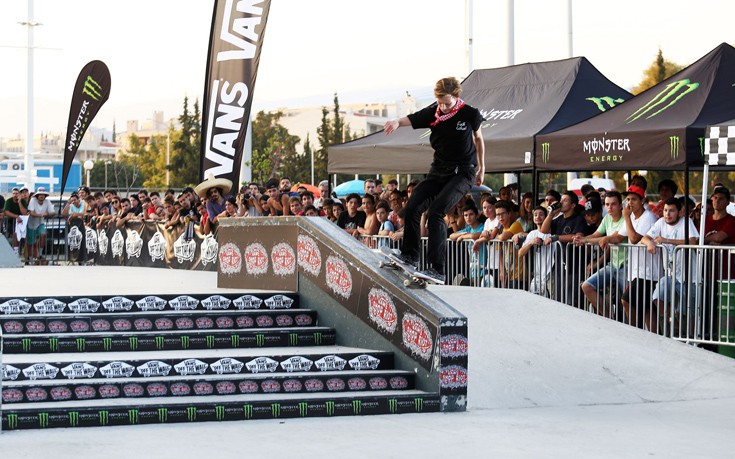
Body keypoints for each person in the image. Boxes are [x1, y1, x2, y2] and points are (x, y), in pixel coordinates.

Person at [383, 77, 485, 284]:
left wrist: (482, 167)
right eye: (440, 102)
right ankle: (409, 256)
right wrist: (395, 122)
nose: (444, 107)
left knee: (437, 212)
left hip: (462, 172)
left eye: (448, 103)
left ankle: (437, 269)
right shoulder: (433, 112)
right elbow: (410, 119)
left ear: (456, 97)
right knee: (412, 207)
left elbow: (479, 139)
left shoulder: (470, 114)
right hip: (438, 171)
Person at [643, 198, 699, 334]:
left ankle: (689, 338)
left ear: (680, 212)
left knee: (687, 311)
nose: (667, 214)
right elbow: (644, 238)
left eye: (671, 211)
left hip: (688, 276)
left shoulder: (687, 222)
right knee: (657, 297)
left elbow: (692, 242)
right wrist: (649, 243)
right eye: (665, 210)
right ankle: (670, 321)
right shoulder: (661, 222)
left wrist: (667, 240)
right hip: (670, 275)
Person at [578, 191, 627, 317]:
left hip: (626, 266)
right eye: (607, 204)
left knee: (627, 302)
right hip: (613, 265)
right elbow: (596, 235)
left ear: (620, 205)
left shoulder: (625, 219)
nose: (610, 207)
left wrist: (585, 240)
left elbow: (614, 238)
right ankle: (608, 317)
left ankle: (630, 329)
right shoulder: (607, 218)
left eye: (613, 204)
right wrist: (580, 239)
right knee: (587, 286)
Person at [618, 185, 659, 329]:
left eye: (634, 199)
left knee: (626, 300)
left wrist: (626, 217)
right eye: (628, 199)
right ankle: (654, 336)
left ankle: (635, 333)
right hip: (637, 271)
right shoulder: (631, 218)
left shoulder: (648, 216)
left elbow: (634, 238)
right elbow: (618, 236)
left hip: (648, 273)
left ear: (642, 200)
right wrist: (587, 240)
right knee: (646, 307)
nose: (630, 203)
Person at [518, 206, 553, 295]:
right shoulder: (532, 234)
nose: (538, 217)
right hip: (537, 275)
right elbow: (520, 253)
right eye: (535, 215)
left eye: (541, 214)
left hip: (551, 273)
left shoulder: (553, 231)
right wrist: (531, 242)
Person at [23, 187, 55, 263]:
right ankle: (30, 259)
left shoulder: (47, 202)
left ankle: (40, 254)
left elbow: (53, 212)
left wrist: (47, 213)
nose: (41, 196)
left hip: (40, 223)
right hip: (31, 224)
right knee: (30, 243)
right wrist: (40, 215)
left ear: (45, 196)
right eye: (40, 195)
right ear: (37, 196)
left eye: (43, 195)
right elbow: (31, 212)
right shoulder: (33, 200)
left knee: (43, 234)